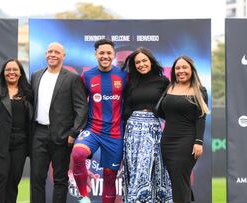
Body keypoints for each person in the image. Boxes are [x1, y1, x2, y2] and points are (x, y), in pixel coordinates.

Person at [30, 42, 88, 203]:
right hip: (38, 133)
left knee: (60, 179)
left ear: (63, 56)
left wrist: (74, 133)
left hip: (62, 136)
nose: (53, 54)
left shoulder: (72, 78)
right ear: (45, 54)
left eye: (57, 52)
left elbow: (82, 108)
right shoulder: (36, 75)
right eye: (50, 51)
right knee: (36, 179)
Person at [71, 39, 127, 203]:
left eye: (108, 53)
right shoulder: (87, 75)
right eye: (101, 53)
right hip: (93, 130)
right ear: (96, 54)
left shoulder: (123, 75)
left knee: (110, 177)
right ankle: (84, 197)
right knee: (78, 153)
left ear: (113, 55)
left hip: (115, 134)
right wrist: (76, 128)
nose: (105, 56)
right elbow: (80, 104)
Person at [0, 58, 33, 203]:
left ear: (20, 73)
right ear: (3, 73)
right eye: (8, 70)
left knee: (13, 181)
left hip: (20, 144)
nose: (11, 72)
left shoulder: (27, 92)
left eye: (15, 69)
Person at [121, 47, 173, 203]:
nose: (141, 64)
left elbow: (169, 107)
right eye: (137, 62)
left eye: (144, 60)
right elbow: (126, 109)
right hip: (132, 132)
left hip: (153, 130)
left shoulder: (163, 81)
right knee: (135, 170)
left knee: (154, 171)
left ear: (151, 61)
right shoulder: (130, 82)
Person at [160, 55, 209, 203]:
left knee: (180, 178)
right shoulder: (170, 87)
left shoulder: (199, 90)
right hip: (167, 142)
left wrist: (198, 141)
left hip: (187, 142)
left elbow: (201, 117)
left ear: (191, 70)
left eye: (184, 67)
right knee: (178, 179)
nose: (181, 71)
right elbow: (163, 111)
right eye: (178, 68)